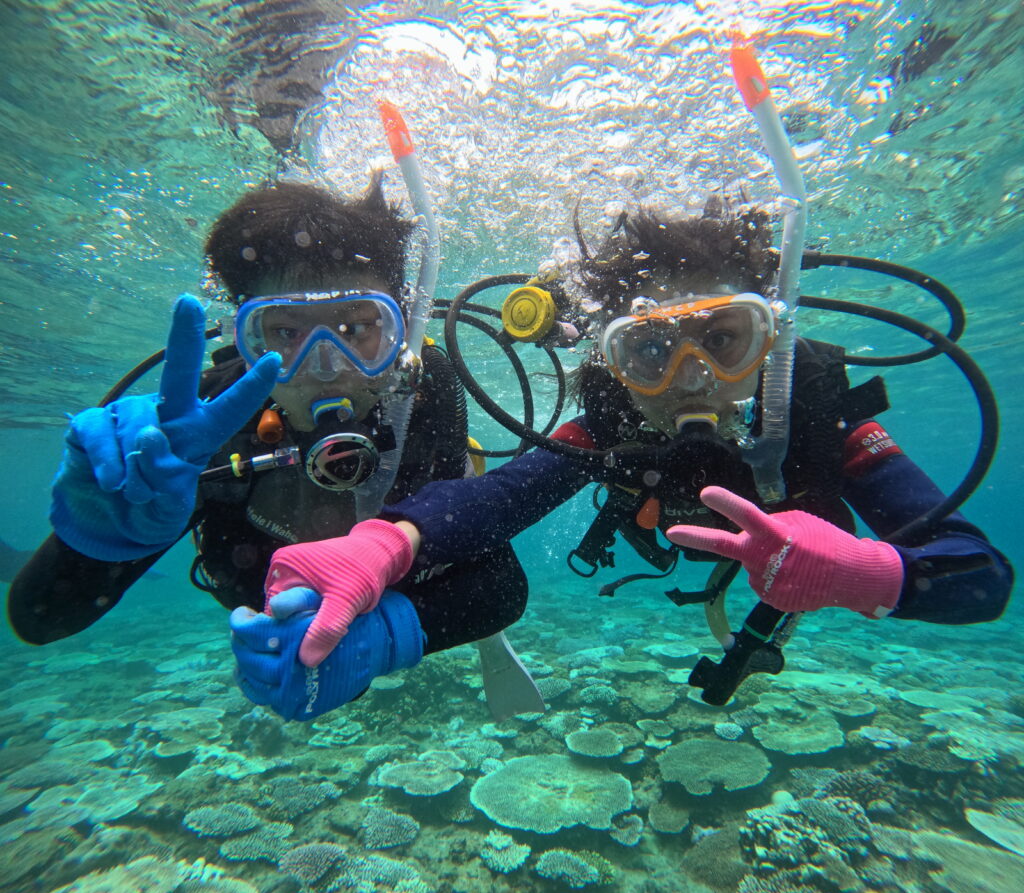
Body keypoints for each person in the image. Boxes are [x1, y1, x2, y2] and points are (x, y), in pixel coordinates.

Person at [231, 200, 1013, 719]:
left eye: (724, 339)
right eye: (650, 350)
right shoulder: (613, 423)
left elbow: (979, 576)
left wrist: (868, 576)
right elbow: (500, 497)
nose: (692, 377)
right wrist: (385, 541)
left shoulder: (812, 413)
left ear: (769, 345)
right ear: (616, 360)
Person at [7, 178, 541, 721]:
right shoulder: (202, 425)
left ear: (401, 330)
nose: (326, 368)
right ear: (246, 339)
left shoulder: (421, 395)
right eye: (285, 333)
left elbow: (499, 585)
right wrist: (102, 536)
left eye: (357, 328)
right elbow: (38, 619)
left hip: (394, 578)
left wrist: (387, 634)